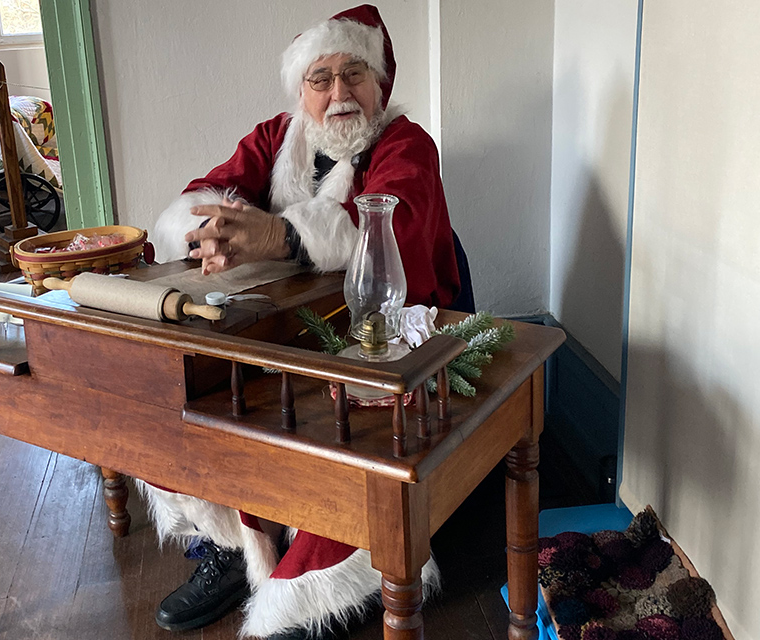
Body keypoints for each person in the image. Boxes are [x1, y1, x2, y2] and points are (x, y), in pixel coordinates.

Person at [142, 5, 463, 639]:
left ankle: (317, 583)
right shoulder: (275, 137)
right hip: (286, 329)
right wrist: (211, 232)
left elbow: (389, 228)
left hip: (392, 332)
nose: (338, 94)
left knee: (337, 433)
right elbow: (205, 192)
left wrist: (281, 235)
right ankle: (230, 550)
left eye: (354, 75)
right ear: (302, 91)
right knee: (191, 393)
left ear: (381, 85)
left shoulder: (407, 144)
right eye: (321, 79)